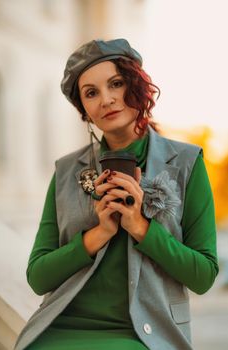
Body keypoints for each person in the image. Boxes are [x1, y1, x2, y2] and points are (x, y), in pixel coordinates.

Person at [14, 38, 219, 350]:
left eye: (116, 83)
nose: (106, 99)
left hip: (142, 333)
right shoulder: (67, 170)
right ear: (83, 109)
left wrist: (140, 227)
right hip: (62, 326)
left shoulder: (187, 163)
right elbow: (38, 277)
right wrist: (99, 233)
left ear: (136, 86)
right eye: (91, 93)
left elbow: (203, 276)